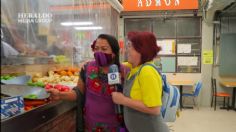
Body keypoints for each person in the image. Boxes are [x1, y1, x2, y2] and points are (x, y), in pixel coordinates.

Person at [47, 34, 128, 132]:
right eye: (96, 48)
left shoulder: (124, 71)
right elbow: (78, 93)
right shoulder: (87, 68)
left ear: (114, 53)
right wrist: (60, 95)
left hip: (115, 126)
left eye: (104, 49)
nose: (99, 52)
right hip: (91, 125)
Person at [111, 31, 169, 132]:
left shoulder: (147, 71)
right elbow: (121, 65)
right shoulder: (135, 68)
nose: (126, 50)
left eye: (130, 46)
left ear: (142, 50)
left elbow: (154, 109)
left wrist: (123, 100)